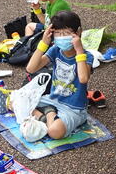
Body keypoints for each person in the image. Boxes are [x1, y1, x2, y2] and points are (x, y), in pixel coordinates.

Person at [25, 10, 93, 139]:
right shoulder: (56, 50)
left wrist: (79, 50)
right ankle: (47, 114)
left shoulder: (86, 56)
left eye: (66, 33)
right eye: (58, 33)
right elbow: (31, 68)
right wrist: (43, 43)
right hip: (52, 99)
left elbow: (83, 78)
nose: (62, 37)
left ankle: (48, 114)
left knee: (55, 132)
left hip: (74, 109)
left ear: (78, 32)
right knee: (15, 102)